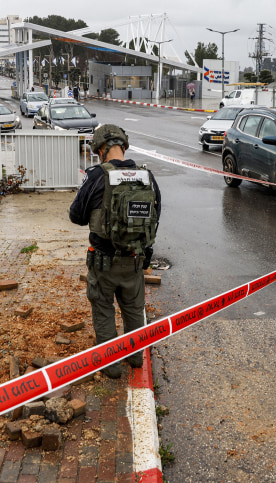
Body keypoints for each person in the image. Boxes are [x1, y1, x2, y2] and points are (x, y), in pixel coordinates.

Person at [69, 124, 161, 379]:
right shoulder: (146, 176)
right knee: (133, 311)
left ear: (100, 149)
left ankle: (110, 367)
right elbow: (156, 216)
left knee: (104, 311)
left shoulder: (96, 175)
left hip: (103, 264)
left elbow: (76, 216)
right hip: (133, 262)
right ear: (123, 146)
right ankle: (135, 359)